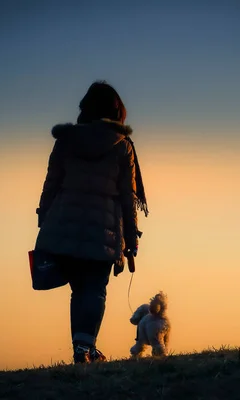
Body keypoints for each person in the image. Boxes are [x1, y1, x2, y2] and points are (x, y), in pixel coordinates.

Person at [35, 81, 149, 364]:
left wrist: (44, 220)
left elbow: (51, 184)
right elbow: (127, 195)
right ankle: (85, 348)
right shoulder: (122, 146)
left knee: (79, 290)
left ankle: (82, 348)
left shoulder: (65, 142)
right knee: (94, 288)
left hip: (64, 224)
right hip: (103, 229)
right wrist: (132, 238)